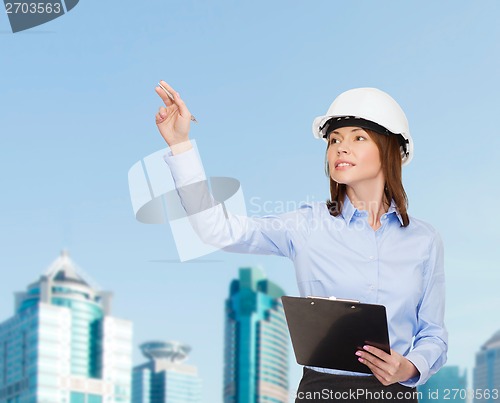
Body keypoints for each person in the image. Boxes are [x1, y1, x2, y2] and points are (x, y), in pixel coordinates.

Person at [154, 82, 447, 402]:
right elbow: (215, 230)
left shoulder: (424, 240)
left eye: (358, 137)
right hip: (322, 391)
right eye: (334, 139)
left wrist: (409, 368)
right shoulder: (306, 225)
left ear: (389, 149)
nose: (340, 147)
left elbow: (433, 333)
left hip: (395, 396)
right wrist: (180, 145)